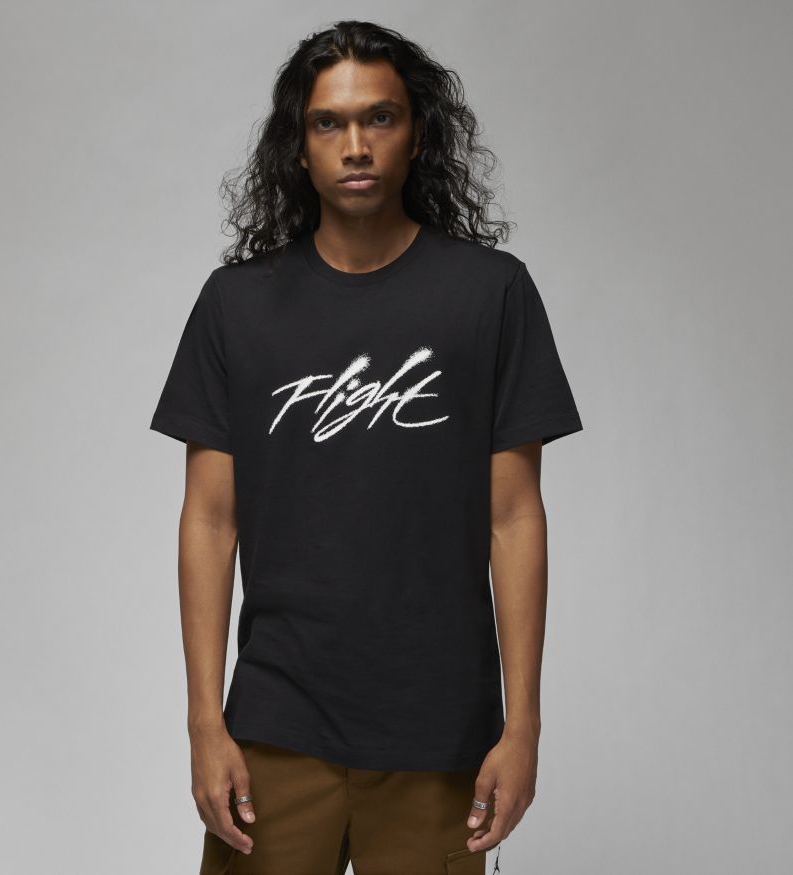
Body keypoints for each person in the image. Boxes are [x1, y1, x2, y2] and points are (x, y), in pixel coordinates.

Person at [149, 19, 583, 875]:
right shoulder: (236, 306)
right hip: (275, 725)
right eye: (329, 122)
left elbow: (513, 517)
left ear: (417, 134)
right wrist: (205, 723)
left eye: (379, 117)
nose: (355, 145)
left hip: (439, 731)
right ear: (298, 144)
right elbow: (208, 519)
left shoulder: (489, 294)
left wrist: (522, 724)